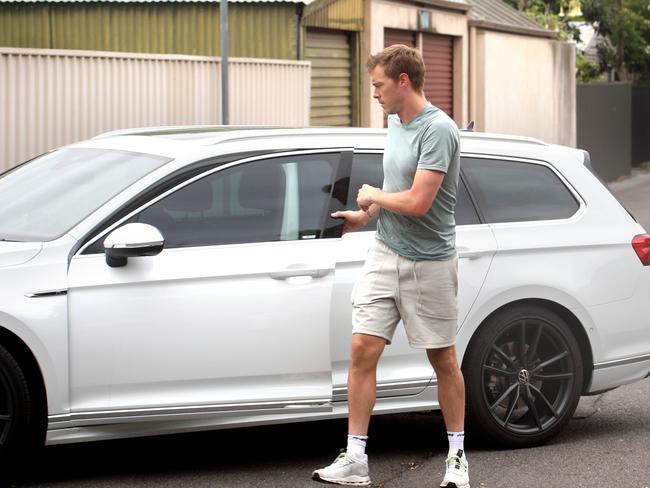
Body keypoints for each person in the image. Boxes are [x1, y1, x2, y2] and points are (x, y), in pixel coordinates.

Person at [312, 44, 469, 488]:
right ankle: (356, 458)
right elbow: (398, 184)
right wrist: (367, 217)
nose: (374, 93)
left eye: (379, 84)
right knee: (363, 349)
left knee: (442, 358)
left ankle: (457, 458)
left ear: (403, 81)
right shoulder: (395, 123)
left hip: (430, 262)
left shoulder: (438, 130)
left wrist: (372, 196)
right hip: (386, 252)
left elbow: (419, 202)